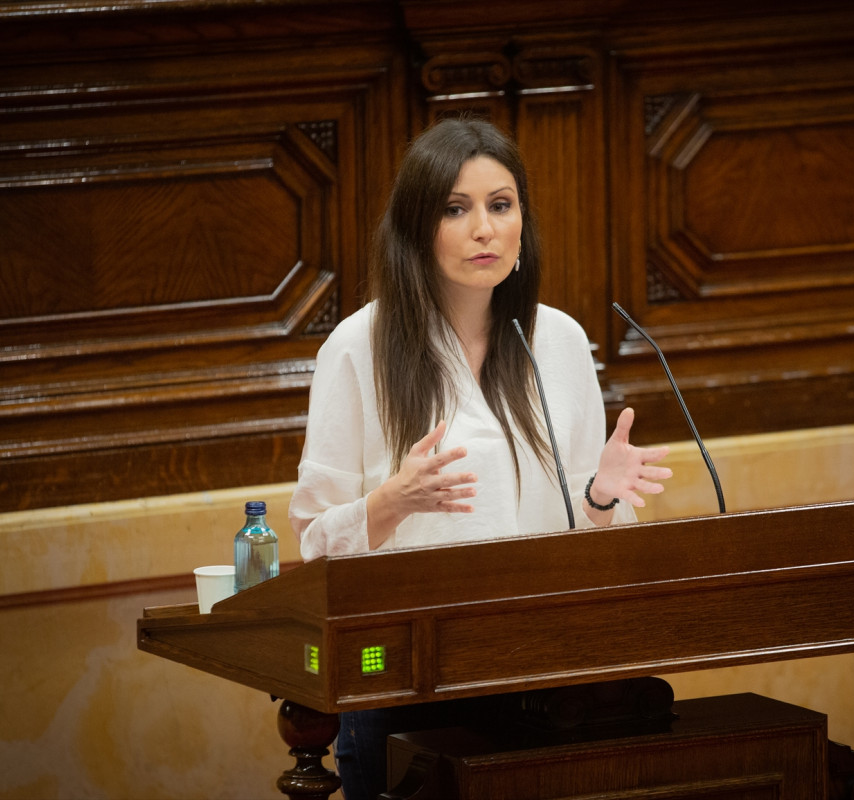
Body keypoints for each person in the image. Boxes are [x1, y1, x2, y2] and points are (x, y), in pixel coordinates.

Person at [288, 117, 672, 799]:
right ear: (416, 227)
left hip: (538, 674)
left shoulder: (556, 341)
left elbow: (581, 544)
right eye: (455, 209)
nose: (484, 228)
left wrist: (600, 500)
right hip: (401, 672)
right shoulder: (356, 349)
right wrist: (390, 503)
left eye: (500, 205)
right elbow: (315, 547)